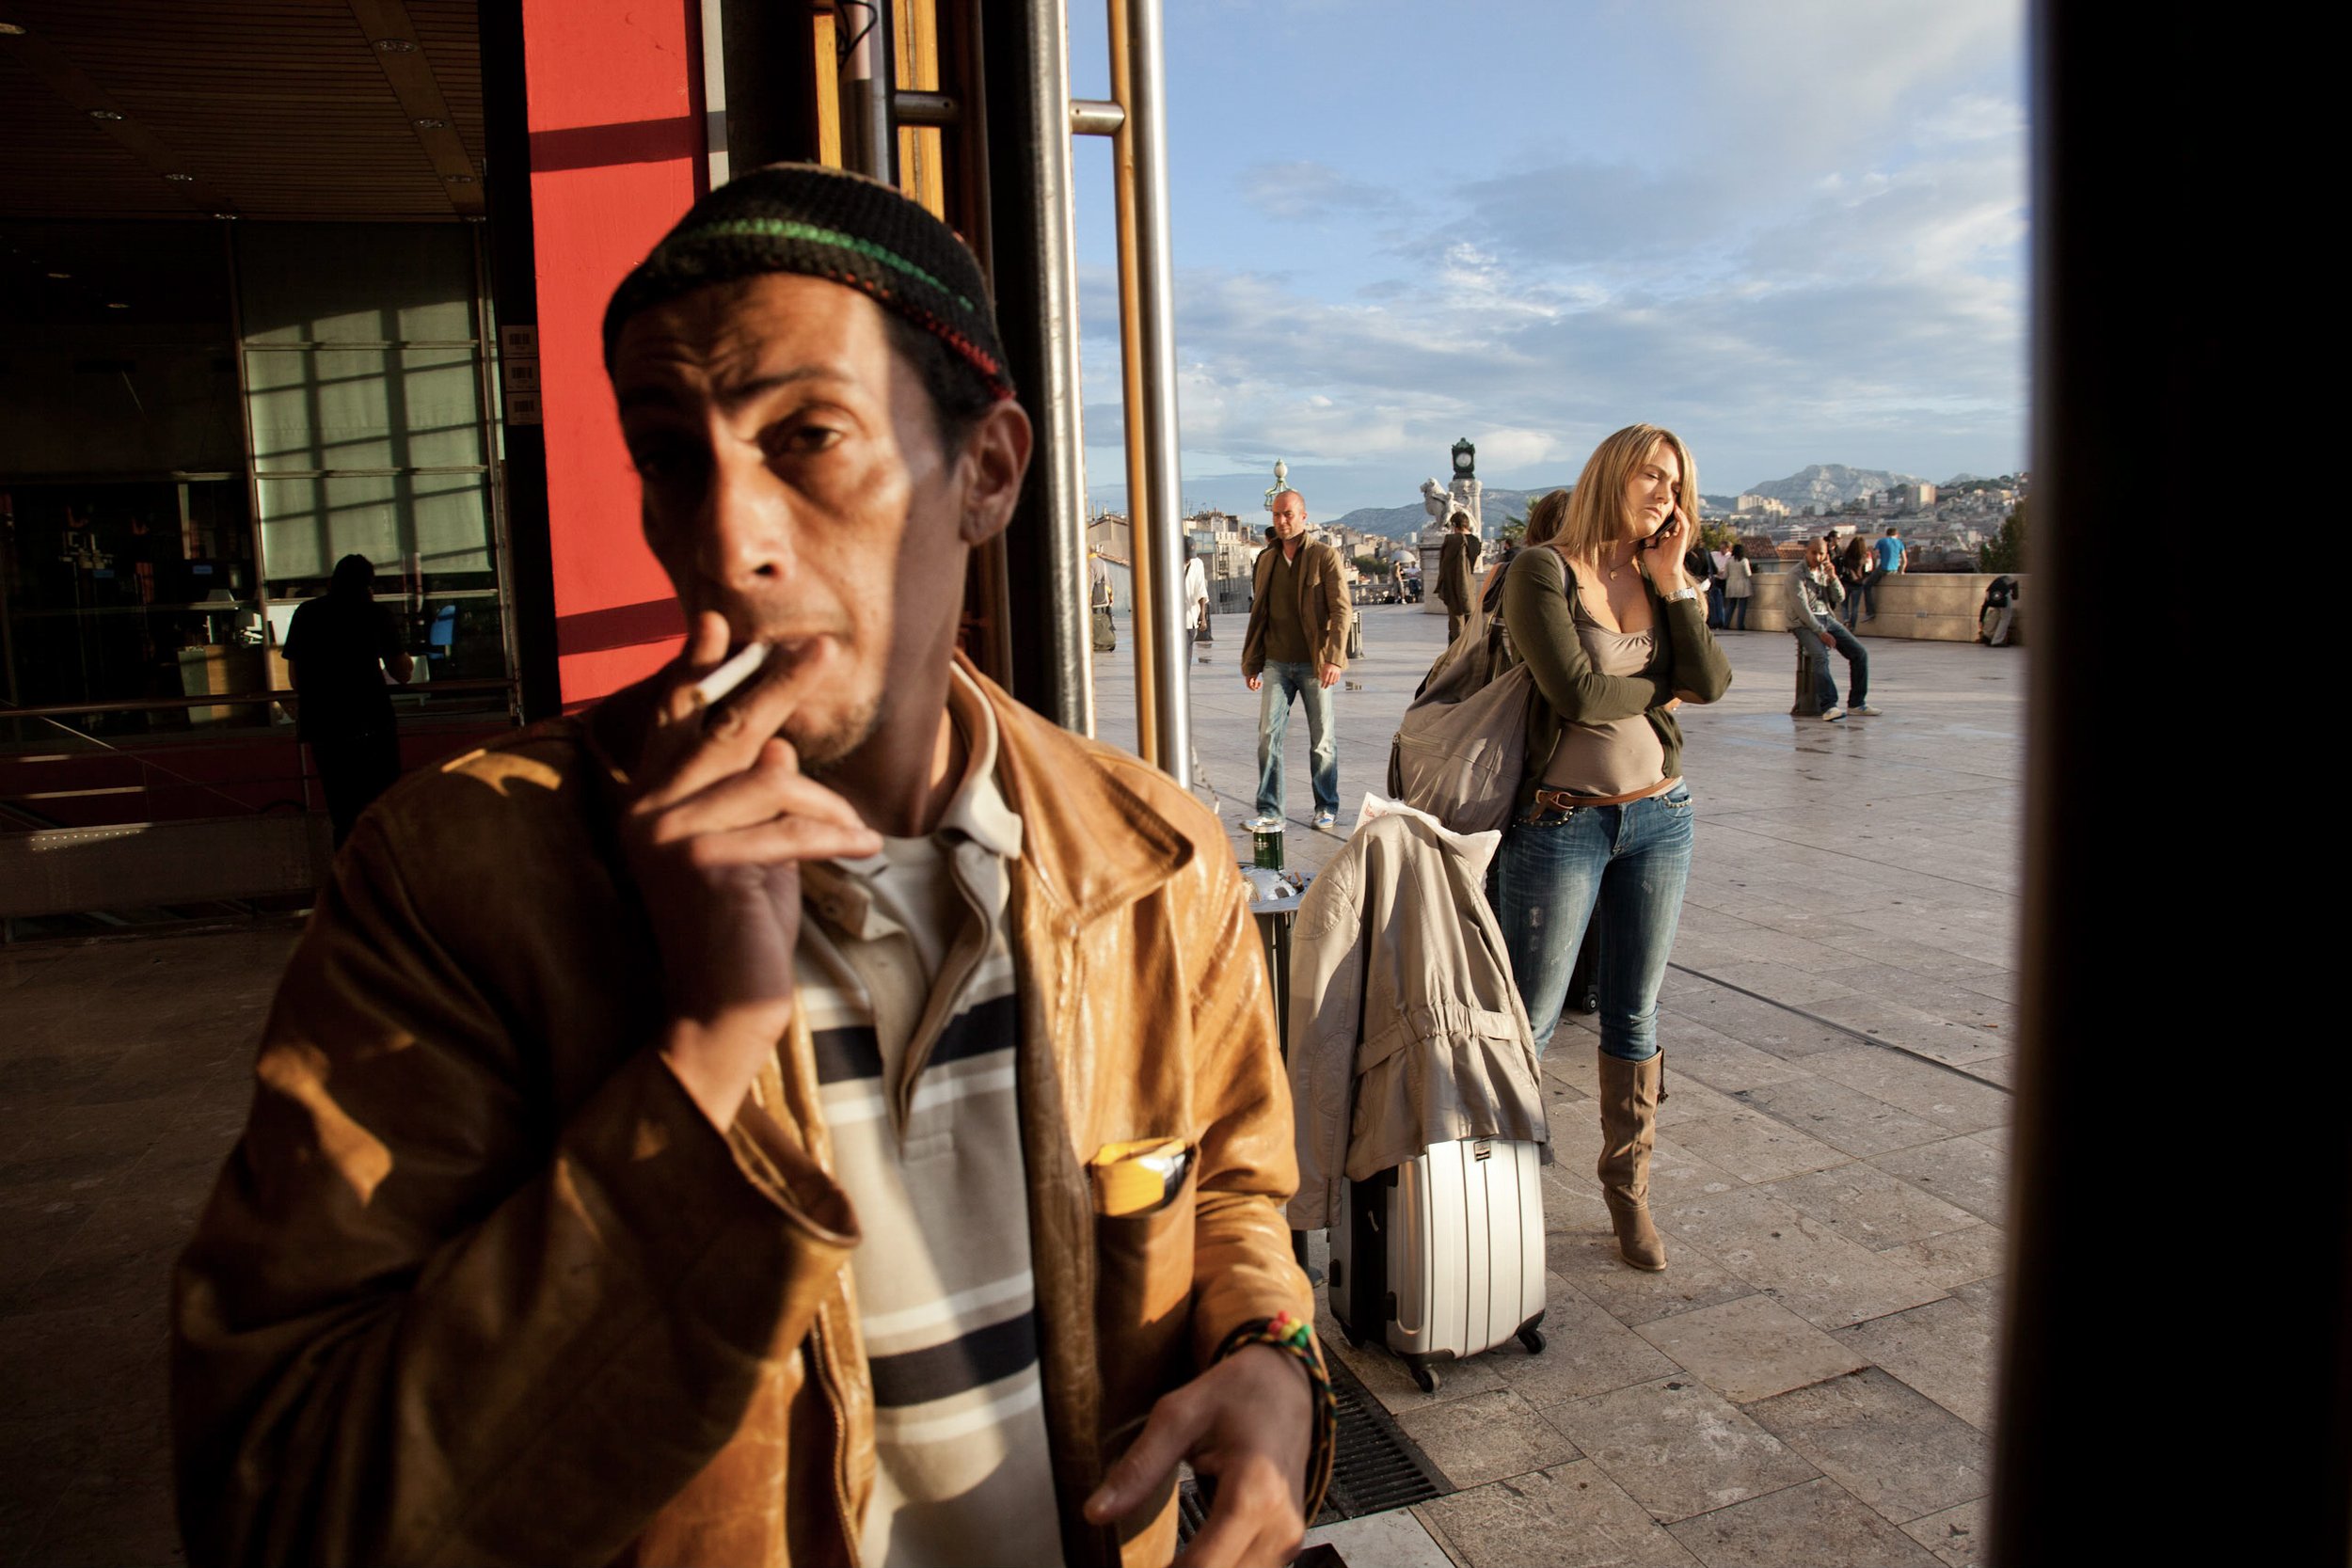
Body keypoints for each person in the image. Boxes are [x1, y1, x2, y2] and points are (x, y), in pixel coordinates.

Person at [172, 165, 1329, 1568]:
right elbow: (287, 1502)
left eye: (808, 436)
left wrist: (1271, 1355)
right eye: (670, 452)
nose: (727, 540)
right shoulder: (458, 884)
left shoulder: (1151, 862)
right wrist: (703, 1062)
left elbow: (1229, 1191)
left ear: (989, 469)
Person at [1486, 424, 1731, 1274]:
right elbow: (1580, 694)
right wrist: (1666, 680)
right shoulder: (1541, 570)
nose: (1666, 493)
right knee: (1531, 1019)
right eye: (1652, 476)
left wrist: (1672, 581)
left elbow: (1716, 679)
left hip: (1660, 818)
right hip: (1563, 824)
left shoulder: (1659, 575)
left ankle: (1629, 1199)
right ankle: (1495, 1202)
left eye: (1677, 483)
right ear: (1611, 474)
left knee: (1634, 1013)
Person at [280, 553, 414, 847]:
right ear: (369, 586)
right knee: (381, 810)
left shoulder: (307, 613)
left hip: (325, 728)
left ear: (332, 581)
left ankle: (348, 877)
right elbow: (401, 672)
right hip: (371, 724)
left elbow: (295, 678)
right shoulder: (375, 614)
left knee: (343, 814)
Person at [1241, 488, 1349, 831]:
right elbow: (1260, 614)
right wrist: (1253, 663)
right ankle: (1270, 811)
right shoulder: (1267, 559)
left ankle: (1326, 805)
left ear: (1304, 516)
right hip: (1275, 661)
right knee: (1267, 737)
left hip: (1314, 664)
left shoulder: (1324, 556)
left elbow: (1341, 609)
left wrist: (1333, 658)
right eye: (1276, 514)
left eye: (1288, 514)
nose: (1282, 521)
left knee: (1322, 740)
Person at [1788, 536, 1878, 720]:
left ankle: (1856, 702)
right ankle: (1829, 705)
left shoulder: (1824, 571)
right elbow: (1802, 609)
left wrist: (1833, 577)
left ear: (1826, 554)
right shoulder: (1796, 574)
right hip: (1803, 623)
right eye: (1814, 553)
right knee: (1820, 656)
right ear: (1807, 552)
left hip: (1826, 617)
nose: (1817, 557)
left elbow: (1839, 598)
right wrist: (1820, 632)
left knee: (1859, 653)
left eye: (1821, 553)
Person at [1438, 509, 1478, 642]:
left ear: (1455, 526)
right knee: (1469, 623)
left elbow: (1445, 564)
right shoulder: (1476, 541)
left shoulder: (1452, 542)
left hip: (1452, 584)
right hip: (1469, 584)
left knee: (1456, 626)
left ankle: (1455, 656)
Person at [1868, 524, 1907, 626]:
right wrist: (1901, 571)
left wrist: (1872, 568)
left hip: (1883, 569)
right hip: (1894, 570)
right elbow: (1904, 560)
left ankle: (1870, 611)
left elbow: (1875, 555)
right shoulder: (1900, 543)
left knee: (1867, 586)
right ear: (1897, 535)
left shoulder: (1881, 541)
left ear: (1887, 534)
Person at [1682, 536, 1718, 629]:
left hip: (1691, 582)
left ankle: (1694, 622)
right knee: (1705, 602)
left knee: (1691, 604)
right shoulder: (1705, 552)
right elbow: (1714, 569)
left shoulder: (1686, 552)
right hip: (1705, 582)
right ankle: (1707, 621)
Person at [1836, 535, 1872, 627]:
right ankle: (1852, 627)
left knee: (1844, 605)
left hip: (1846, 582)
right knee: (1855, 607)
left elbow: (1842, 566)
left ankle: (1846, 620)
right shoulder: (1865, 556)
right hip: (1858, 584)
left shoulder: (1846, 555)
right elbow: (1869, 570)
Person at [1979, 574, 2020, 645]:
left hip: (1995, 595)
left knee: (1996, 613)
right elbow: (2015, 596)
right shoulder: (2009, 580)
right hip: (2004, 595)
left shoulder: (1989, 593)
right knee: (2005, 618)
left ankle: (1988, 635)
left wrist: (1981, 620)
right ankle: (1997, 641)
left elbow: (1984, 606)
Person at [1723, 542, 1756, 630]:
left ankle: (1726, 624)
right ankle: (1740, 625)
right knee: (1742, 606)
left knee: (1731, 605)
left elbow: (1725, 575)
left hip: (1731, 584)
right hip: (1742, 584)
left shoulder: (1729, 561)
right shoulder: (1744, 560)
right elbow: (1748, 573)